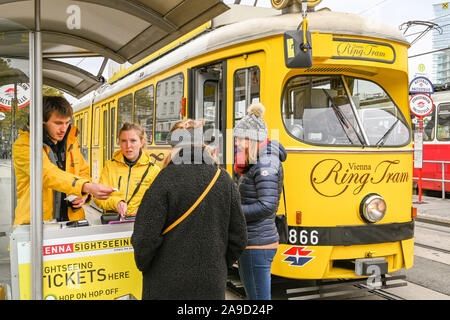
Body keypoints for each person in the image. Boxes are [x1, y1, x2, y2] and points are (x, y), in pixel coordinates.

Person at [131, 119, 247, 300]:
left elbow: (144, 238)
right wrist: (217, 264)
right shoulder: (223, 180)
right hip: (212, 283)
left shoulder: (164, 180)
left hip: (166, 283)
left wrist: (149, 266)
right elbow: (239, 237)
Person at [12, 96, 114, 225]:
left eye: (67, 123)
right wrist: (85, 186)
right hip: (37, 225)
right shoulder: (25, 145)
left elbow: (83, 171)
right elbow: (48, 174)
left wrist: (83, 196)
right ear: (41, 121)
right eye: (58, 123)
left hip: (72, 222)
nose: (64, 129)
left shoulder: (71, 141)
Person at [233, 102, 287, 300]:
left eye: (239, 139)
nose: (237, 143)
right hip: (254, 240)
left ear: (251, 139)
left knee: (258, 299)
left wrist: (234, 211)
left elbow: (267, 205)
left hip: (257, 243)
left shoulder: (266, 162)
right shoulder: (258, 160)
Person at [94, 122, 161, 218]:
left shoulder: (153, 170)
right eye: (124, 141)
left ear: (142, 142)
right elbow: (98, 198)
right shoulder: (110, 166)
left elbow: (159, 201)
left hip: (140, 224)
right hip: (114, 224)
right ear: (119, 142)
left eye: (133, 141)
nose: (128, 146)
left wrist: (146, 208)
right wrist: (116, 203)